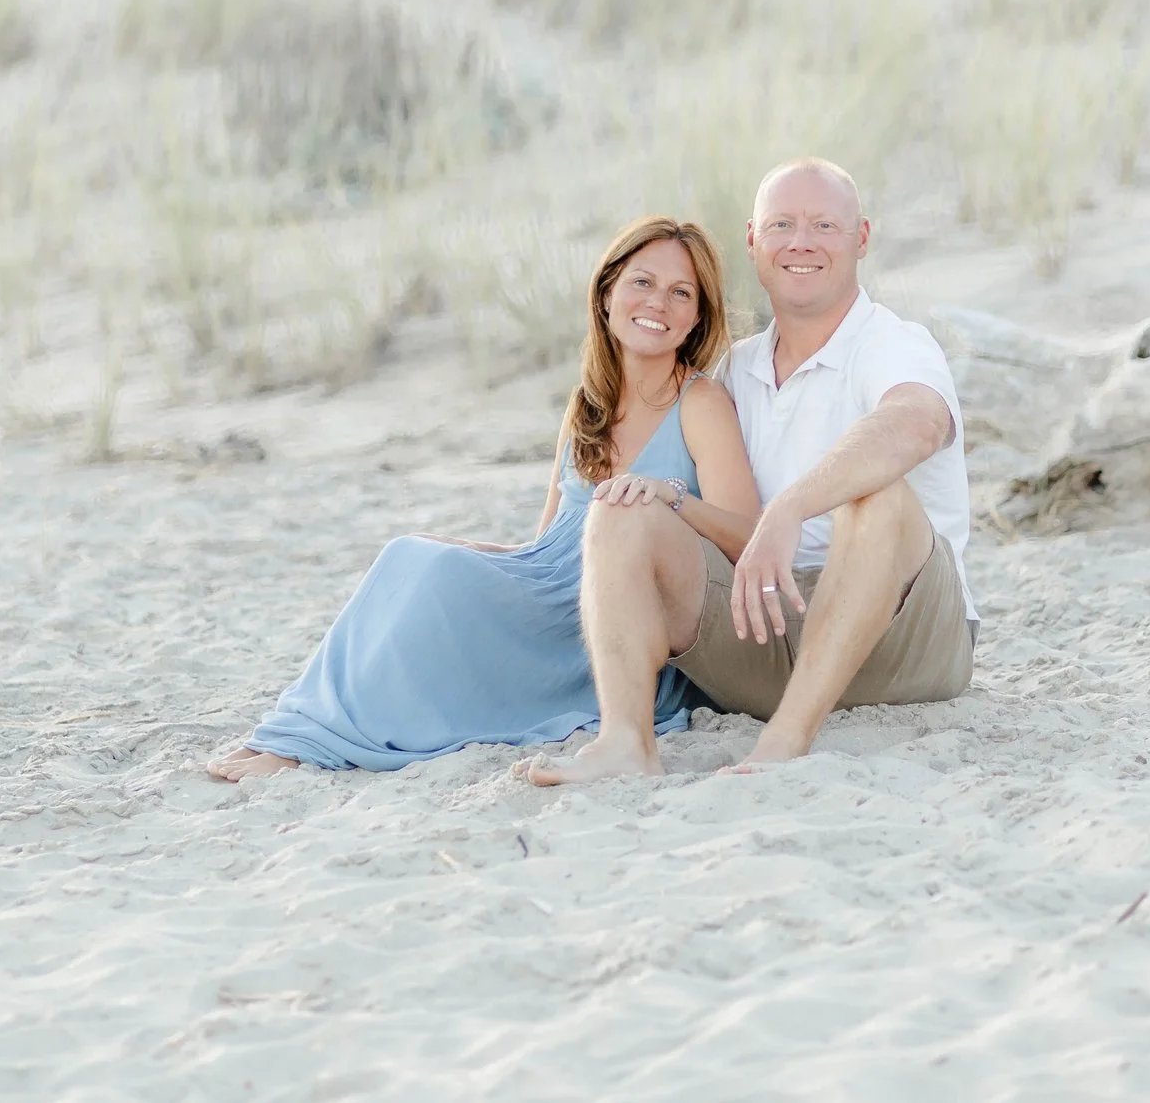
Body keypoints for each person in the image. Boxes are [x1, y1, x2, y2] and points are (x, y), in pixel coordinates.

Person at [207, 217, 763, 781]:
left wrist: (669, 497)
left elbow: (749, 536)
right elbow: (543, 546)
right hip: (548, 594)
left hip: (619, 618)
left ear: (697, 317)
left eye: (681, 293)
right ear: (607, 293)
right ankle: (297, 731)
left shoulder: (701, 402)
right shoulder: (586, 405)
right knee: (409, 556)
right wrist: (465, 552)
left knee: (434, 570)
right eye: (642, 283)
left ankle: (308, 745)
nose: (659, 303)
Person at [527, 158, 972, 784]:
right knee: (621, 505)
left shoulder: (893, 343)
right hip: (766, 627)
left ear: (862, 238)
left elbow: (917, 422)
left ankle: (784, 743)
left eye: (825, 225)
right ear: (753, 240)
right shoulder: (735, 371)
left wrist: (791, 507)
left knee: (879, 496)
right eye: (783, 223)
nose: (802, 242)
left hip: (904, 638)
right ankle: (625, 743)